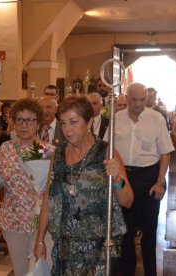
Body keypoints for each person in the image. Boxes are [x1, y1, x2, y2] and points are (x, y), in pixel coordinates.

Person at [34, 95, 133, 275]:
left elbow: (127, 201)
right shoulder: (59, 153)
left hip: (99, 248)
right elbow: (49, 196)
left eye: (73, 122)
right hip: (65, 246)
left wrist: (117, 178)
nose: (67, 129)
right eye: (63, 123)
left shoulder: (106, 152)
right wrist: (40, 239)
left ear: (88, 123)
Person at [0, 98, 55, 276]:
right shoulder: (6, 149)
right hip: (13, 221)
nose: (24, 125)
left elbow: (53, 190)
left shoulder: (48, 151)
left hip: (40, 222)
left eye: (29, 120)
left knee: (40, 270)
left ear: (38, 123)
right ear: (14, 122)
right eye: (19, 120)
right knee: (20, 271)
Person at [115, 83, 174, 276]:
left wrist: (160, 182)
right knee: (125, 230)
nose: (139, 104)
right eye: (134, 99)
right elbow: (109, 151)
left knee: (149, 233)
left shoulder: (156, 119)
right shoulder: (116, 119)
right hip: (124, 176)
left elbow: (165, 153)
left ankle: (150, 272)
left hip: (148, 178)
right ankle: (127, 272)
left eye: (142, 99)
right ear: (127, 97)